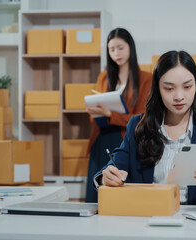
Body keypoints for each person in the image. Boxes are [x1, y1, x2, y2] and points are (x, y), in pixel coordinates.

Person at [94, 50, 196, 205]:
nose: (179, 96)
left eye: (187, 87)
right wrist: (106, 177)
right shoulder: (138, 127)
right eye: (169, 88)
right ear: (158, 89)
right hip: (148, 217)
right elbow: (114, 167)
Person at [85, 28, 152, 203]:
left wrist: (109, 114)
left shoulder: (146, 78)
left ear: (130, 47)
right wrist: (96, 111)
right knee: (97, 187)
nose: (116, 53)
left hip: (124, 138)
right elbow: (94, 118)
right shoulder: (104, 78)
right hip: (102, 137)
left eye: (120, 47)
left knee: (118, 192)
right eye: (112, 49)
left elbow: (141, 117)